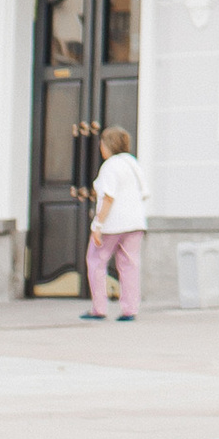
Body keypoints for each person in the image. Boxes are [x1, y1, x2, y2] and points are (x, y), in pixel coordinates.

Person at [84, 127, 147, 324]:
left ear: (108, 145)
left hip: (112, 224)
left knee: (96, 260)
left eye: (102, 143)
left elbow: (108, 197)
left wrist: (98, 224)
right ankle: (130, 309)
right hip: (135, 223)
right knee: (130, 265)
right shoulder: (133, 163)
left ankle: (99, 308)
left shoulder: (110, 166)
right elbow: (144, 192)